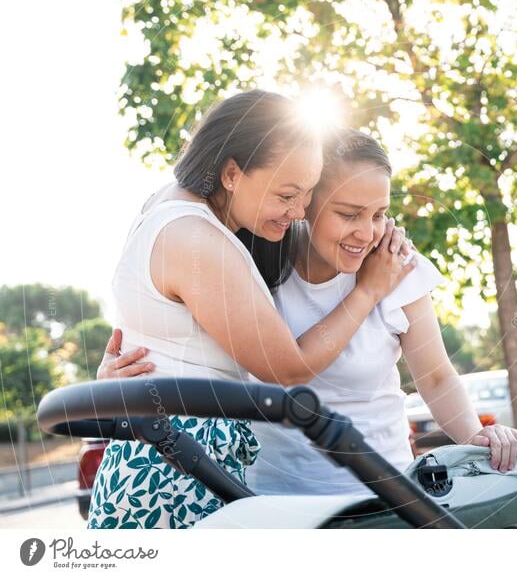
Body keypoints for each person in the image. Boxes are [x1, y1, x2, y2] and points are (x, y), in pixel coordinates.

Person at [99, 128, 517, 500]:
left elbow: (435, 376)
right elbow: (170, 324)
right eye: (348, 214)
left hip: (384, 493)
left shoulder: (396, 265)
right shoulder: (246, 259)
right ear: (305, 203)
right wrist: (112, 377)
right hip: (268, 499)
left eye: (379, 214)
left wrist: (473, 433)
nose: (367, 232)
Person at [88, 92, 415, 529]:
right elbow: (289, 369)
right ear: (231, 174)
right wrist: (370, 290)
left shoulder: (167, 203)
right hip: (174, 481)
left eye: (308, 193)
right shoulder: (196, 241)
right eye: (288, 195)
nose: (300, 211)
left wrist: (110, 383)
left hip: (172, 458)